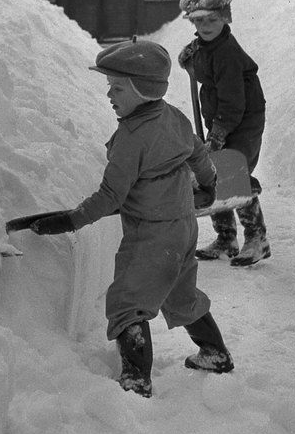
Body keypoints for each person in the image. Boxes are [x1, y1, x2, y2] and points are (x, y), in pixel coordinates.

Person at [27, 39, 234, 398]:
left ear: (143, 90)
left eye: (118, 87)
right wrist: (209, 184)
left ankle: (136, 379)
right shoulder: (174, 116)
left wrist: (73, 220)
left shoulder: (131, 138)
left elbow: (111, 196)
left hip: (150, 235)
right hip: (184, 228)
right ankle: (215, 353)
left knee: (127, 303)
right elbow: (199, 153)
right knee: (181, 295)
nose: (110, 94)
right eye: (110, 86)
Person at [177, 0, 270, 267]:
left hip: (241, 121)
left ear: (225, 17)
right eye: (198, 21)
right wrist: (188, 59)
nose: (205, 26)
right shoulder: (206, 44)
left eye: (212, 20)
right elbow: (201, 58)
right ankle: (227, 238)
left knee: (234, 173)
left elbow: (233, 103)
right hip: (221, 119)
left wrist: (218, 135)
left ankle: (257, 239)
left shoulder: (226, 53)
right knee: (214, 172)